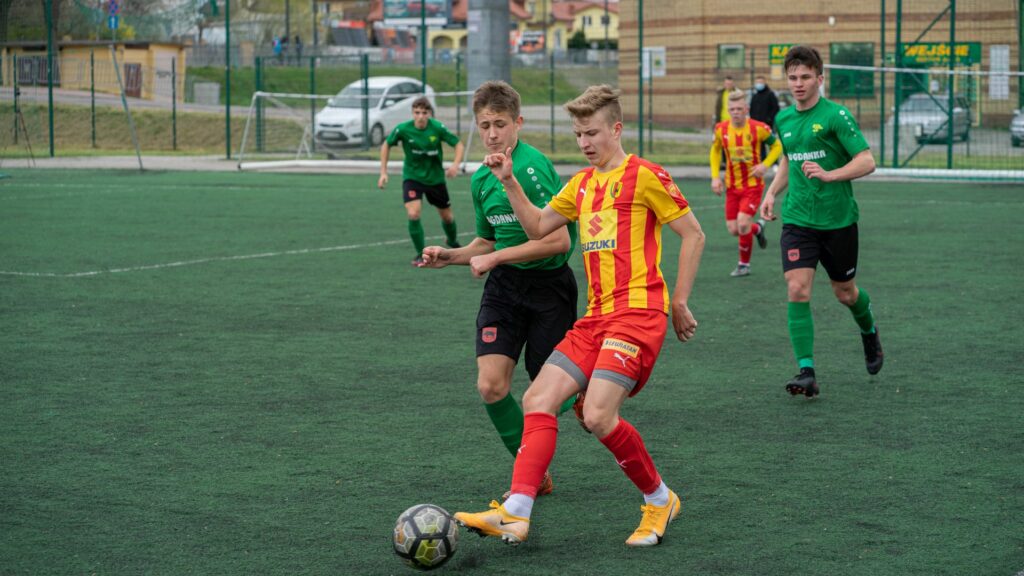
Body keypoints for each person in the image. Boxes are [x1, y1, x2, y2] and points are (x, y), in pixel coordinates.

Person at [454, 85, 705, 548]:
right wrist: (509, 180)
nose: (584, 142)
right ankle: (517, 511)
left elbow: (694, 234)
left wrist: (679, 301)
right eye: (577, 135)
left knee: (598, 414)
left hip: (637, 314)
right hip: (596, 318)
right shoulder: (581, 184)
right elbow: (536, 227)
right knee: (537, 398)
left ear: (616, 129)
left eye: (592, 133)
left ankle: (660, 499)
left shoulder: (646, 175)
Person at [419, 81, 578, 496]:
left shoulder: (532, 168)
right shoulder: (481, 178)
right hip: (505, 287)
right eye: (485, 125)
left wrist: (496, 259)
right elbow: (487, 242)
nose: (492, 134)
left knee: (549, 396)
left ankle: (579, 389)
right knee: (491, 386)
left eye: (500, 124)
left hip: (549, 287)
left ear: (518, 123)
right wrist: (450, 255)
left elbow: (558, 241)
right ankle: (534, 474)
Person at [759, 45, 883, 398]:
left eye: (805, 77)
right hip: (798, 219)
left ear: (820, 78)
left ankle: (869, 330)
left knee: (845, 293)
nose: (798, 83)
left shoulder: (835, 116)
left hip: (838, 219)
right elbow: (790, 160)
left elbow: (867, 161)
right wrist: (772, 193)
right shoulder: (784, 119)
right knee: (797, 288)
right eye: (792, 77)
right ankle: (807, 372)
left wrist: (830, 174)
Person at [378, 96, 465, 266]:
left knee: (447, 217)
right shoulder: (403, 129)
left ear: (429, 114)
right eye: (417, 112)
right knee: (413, 213)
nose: (420, 116)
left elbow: (458, 144)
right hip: (413, 178)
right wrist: (383, 172)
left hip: (435, 179)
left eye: (424, 113)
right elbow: (386, 145)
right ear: (412, 113)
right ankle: (420, 254)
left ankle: (452, 241)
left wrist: (455, 165)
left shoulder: (437, 128)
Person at [710, 89, 782, 277]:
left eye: (739, 109)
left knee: (742, 224)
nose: (735, 112)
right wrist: (715, 177)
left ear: (746, 109)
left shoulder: (759, 128)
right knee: (734, 229)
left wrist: (765, 165)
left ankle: (744, 265)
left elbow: (777, 146)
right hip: (732, 186)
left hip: (753, 186)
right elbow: (715, 151)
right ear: (728, 110)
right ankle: (757, 228)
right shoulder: (721, 129)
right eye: (732, 109)